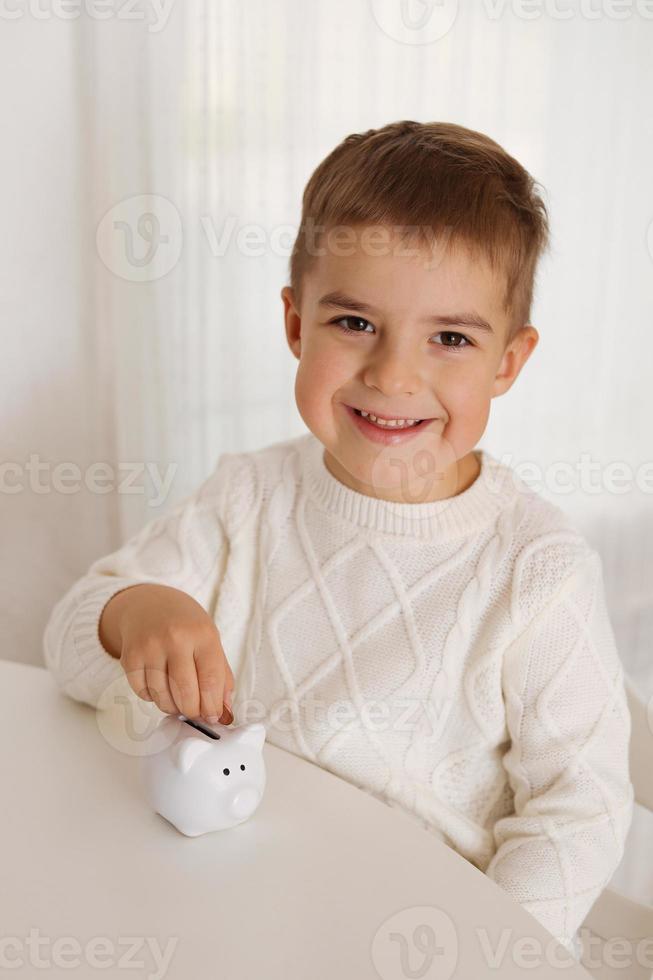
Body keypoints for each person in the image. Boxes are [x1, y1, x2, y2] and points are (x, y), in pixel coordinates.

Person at [43, 120, 633, 959]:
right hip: (232, 913)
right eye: (353, 323)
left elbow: (577, 814)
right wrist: (133, 611)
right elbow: (67, 645)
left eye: (451, 338)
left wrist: (488, 952)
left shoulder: (536, 571)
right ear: (295, 323)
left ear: (507, 362)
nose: (392, 376)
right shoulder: (246, 496)